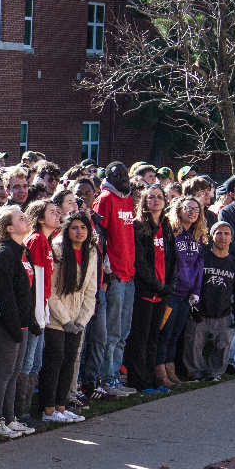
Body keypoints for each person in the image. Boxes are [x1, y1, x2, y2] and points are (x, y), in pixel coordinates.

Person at [0, 205, 38, 438]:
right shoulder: (3, 254)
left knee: (14, 374)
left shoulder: (23, 251)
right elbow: (3, 295)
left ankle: (10, 418)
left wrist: (30, 321)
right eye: (20, 218)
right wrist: (14, 327)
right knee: (3, 373)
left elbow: (27, 290)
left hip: (20, 324)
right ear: (8, 228)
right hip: (4, 325)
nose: (26, 220)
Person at [40, 212, 97, 422]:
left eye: (83, 227)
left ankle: (61, 407)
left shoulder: (91, 251)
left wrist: (81, 321)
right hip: (57, 318)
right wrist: (65, 320)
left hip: (78, 318)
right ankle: (48, 410)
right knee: (55, 361)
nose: (79, 232)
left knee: (70, 362)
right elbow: (51, 291)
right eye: (74, 228)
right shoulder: (57, 250)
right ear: (66, 230)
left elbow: (91, 290)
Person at [92, 162, 138, 397]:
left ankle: (116, 379)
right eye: (117, 176)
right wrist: (107, 271)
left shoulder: (128, 199)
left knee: (123, 333)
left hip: (129, 274)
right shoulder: (104, 199)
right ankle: (106, 380)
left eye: (125, 175)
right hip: (115, 275)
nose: (123, 179)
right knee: (111, 334)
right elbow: (99, 238)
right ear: (109, 178)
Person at [126, 185, 177, 392]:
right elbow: (139, 263)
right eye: (151, 197)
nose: (156, 200)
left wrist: (169, 285)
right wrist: (157, 285)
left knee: (154, 337)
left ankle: (153, 380)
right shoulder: (138, 227)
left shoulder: (167, 226)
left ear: (165, 201)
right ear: (144, 202)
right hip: (145, 291)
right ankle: (140, 382)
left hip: (162, 292)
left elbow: (173, 259)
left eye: (159, 197)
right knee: (141, 337)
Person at [17, 199, 61, 431]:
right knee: (28, 362)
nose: (58, 215)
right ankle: (20, 413)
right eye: (52, 212)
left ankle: (27, 410)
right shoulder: (36, 240)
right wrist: (37, 314)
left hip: (41, 309)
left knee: (36, 363)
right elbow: (35, 280)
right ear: (40, 218)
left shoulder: (46, 240)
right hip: (34, 311)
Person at [157, 196, 205, 387]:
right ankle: (161, 375)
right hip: (171, 293)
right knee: (165, 335)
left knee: (175, 336)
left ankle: (172, 374)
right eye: (188, 208)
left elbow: (199, 265)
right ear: (178, 210)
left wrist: (196, 290)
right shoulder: (171, 232)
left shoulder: (197, 235)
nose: (192, 212)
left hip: (187, 295)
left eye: (196, 209)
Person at [184, 222, 235, 381]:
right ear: (212, 236)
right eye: (218, 233)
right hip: (199, 312)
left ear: (231, 239)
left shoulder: (234, 264)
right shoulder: (202, 258)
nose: (222, 237)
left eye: (226, 234)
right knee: (193, 345)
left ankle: (215, 373)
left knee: (222, 346)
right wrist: (192, 308)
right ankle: (196, 373)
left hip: (223, 314)